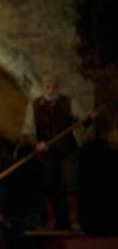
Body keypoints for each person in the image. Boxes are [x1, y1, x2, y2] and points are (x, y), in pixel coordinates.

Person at [21, 75, 93, 231]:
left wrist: (87, 119)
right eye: (47, 86)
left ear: (57, 87)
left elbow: (84, 121)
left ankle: (74, 221)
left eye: (53, 86)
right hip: (46, 153)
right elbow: (28, 132)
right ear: (43, 87)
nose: (50, 89)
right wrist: (37, 144)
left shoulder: (69, 102)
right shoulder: (33, 106)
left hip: (68, 149)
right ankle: (51, 221)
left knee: (71, 185)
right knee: (48, 186)